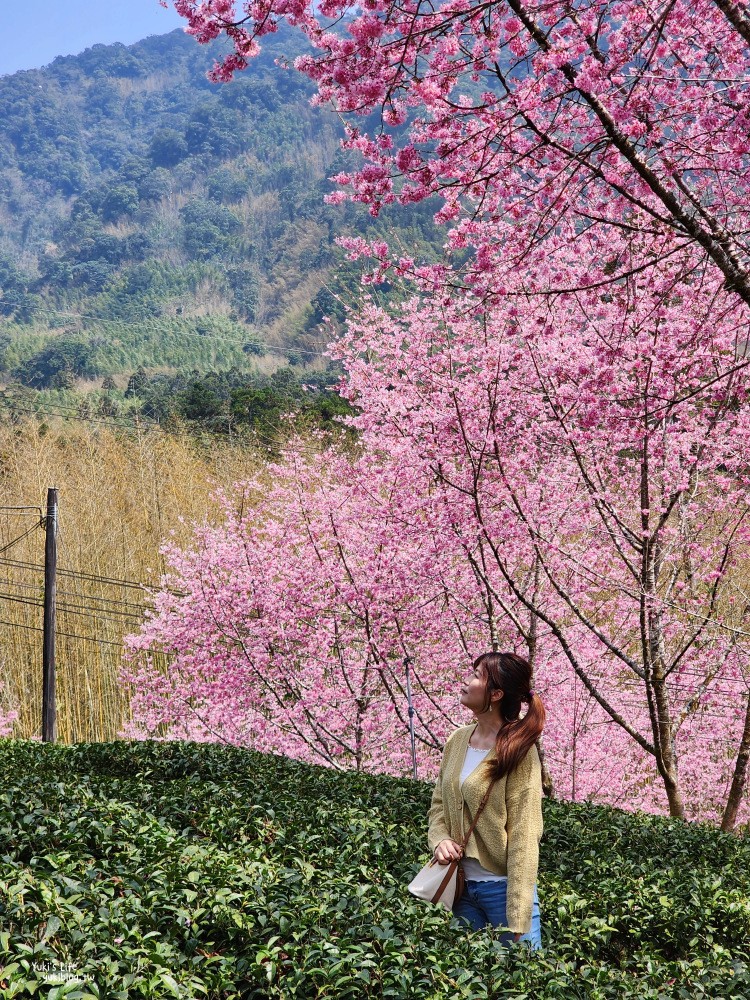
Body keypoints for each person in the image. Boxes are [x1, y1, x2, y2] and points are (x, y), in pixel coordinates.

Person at [427, 651, 545, 947]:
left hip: (503, 892)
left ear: (496, 693)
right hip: (461, 888)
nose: (466, 682)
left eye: (476, 675)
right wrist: (440, 839)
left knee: (521, 984)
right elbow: (438, 806)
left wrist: (518, 916)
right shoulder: (457, 740)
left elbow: (525, 834)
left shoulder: (519, 751)